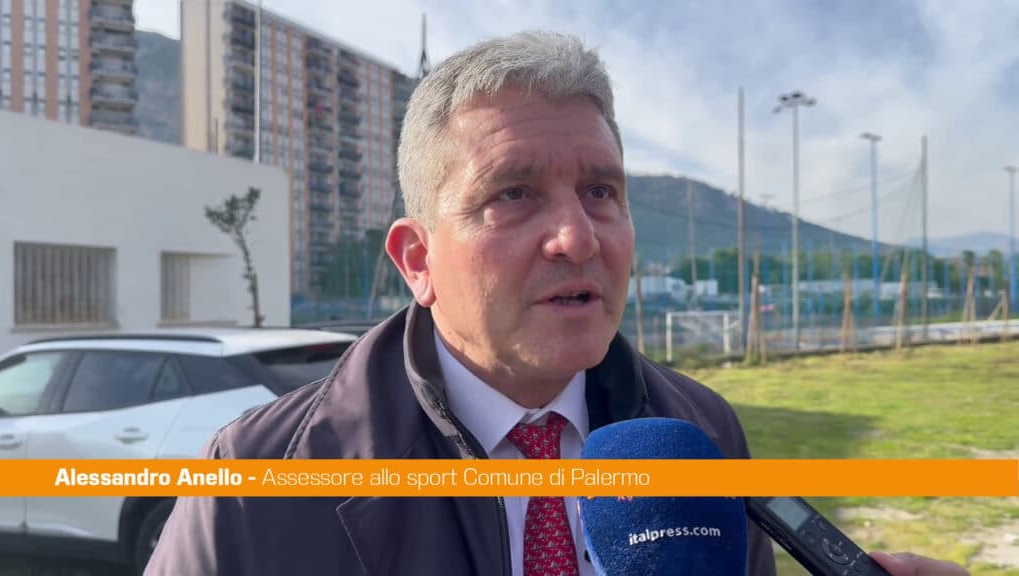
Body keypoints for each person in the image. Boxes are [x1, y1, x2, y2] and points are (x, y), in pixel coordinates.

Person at [146, 31, 969, 576]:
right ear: (418, 260)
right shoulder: (254, 482)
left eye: (602, 191)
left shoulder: (702, 432)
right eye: (513, 194)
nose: (577, 237)